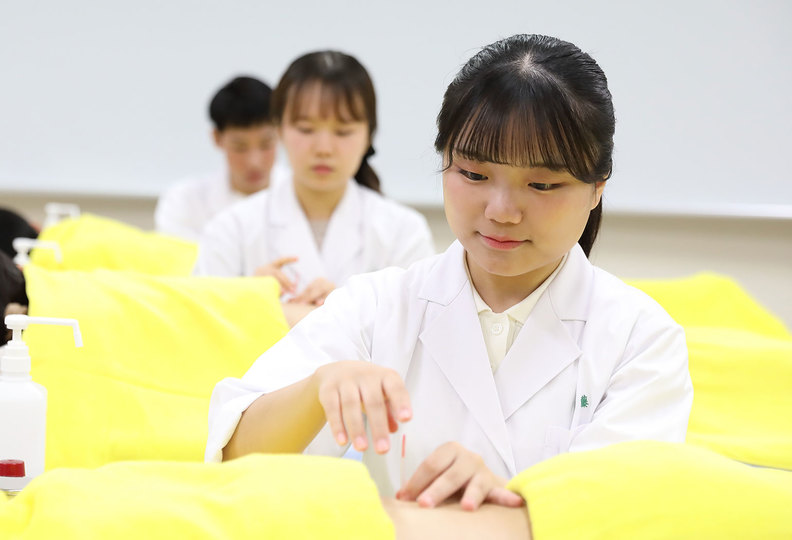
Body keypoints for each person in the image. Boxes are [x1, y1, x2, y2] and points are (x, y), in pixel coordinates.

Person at [205, 34, 693, 510]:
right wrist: (316, 388)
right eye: (474, 174)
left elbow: (623, 512)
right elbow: (234, 457)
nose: (501, 210)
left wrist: (511, 504)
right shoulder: (378, 306)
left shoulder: (640, 339)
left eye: (542, 184)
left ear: (596, 188)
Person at [193, 51, 435, 306]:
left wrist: (344, 313)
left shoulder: (403, 233)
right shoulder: (230, 230)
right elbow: (201, 328)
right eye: (306, 129)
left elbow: (418, 333)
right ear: (279, 130)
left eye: (343, 131)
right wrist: (249, 301)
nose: (323, 148)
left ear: (369, 137)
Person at [154, 76, 283, 241]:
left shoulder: (305, 199)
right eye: (240, 147)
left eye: (266, 144)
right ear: (217, 138)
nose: (254, 161)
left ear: (281, 132)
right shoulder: (183, 202)